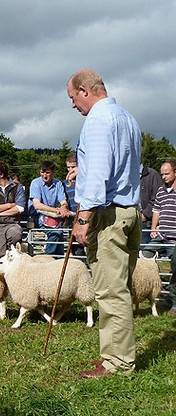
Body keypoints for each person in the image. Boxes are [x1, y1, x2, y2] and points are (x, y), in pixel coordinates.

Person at [68, 69, 142, 378]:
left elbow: (98, 174)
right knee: (119, 288)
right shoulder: (128, 119)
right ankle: (117, 354)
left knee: (110, 292)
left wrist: (83, 219)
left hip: (108, 214)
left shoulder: (97, 121)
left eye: (73, 98)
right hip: (131, 212)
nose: (73, 105)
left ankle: (118, 363)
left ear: (85, 91)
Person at [142, 161, 176, 317]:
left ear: (175, 172)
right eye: (162, 174)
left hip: (174, 239)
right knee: (145, 255)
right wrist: (154, 228)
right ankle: (152, 291)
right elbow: (156, 210)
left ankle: (173, 303)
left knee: (175, 270)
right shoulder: (161, 190)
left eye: (166, 173)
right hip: (161, 235)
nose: (163, 177)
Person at [28, 160, 71, 255]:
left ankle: (57, 261)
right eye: (42, 172)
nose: (44, 175)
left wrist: (63, 207)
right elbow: (37, 205)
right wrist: (57, 210)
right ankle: (47, 260)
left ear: (53, 172)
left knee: (58, 235)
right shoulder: (36, 183)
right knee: (56, 233)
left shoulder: (58, 183)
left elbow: (63, 201)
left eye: (47, 172)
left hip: (53, 218)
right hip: (37, 217)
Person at [63, 154, 85, 257]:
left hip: (85, 215)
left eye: (73, 167)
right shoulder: (65, 184)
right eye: (68, 167)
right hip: (73, 217)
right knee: (76, 246)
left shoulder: (85, 181)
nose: (70, 170)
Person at [139, 164, 162, 245]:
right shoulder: (126, 175)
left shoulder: (152, 174)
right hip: (129, 220)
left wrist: (145, 215)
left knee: (144, 253)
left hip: (145, 223)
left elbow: (157, 198)